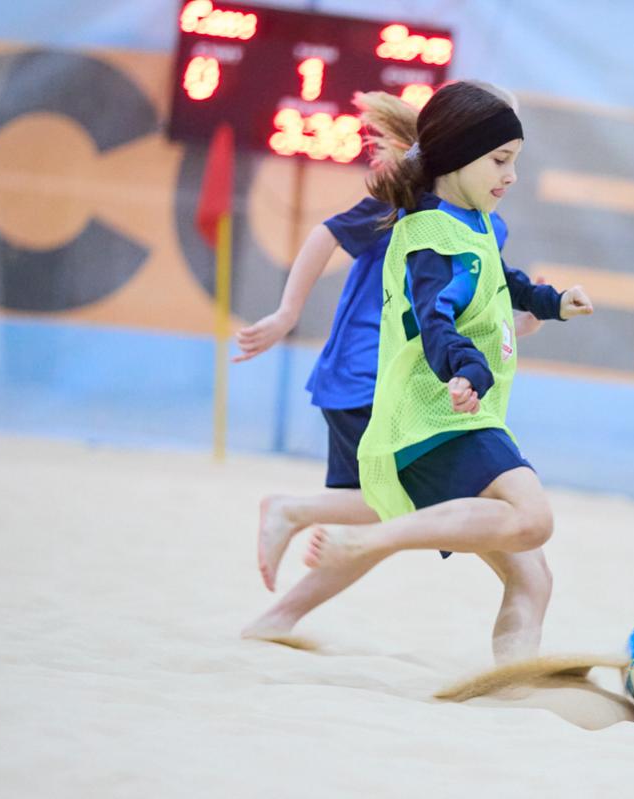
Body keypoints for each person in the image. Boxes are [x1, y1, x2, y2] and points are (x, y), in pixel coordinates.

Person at [288, 80, 593, 664]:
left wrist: (552, 302)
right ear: (458, 157)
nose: (512, 176)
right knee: (532, 519)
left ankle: (511, 681)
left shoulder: (472, 221)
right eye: (501, 160)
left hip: (454, 412)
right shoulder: (430, 235)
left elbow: (502, 279)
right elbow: (436, 321)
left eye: (516, 161)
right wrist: (469, 368)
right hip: (439, 415)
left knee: (534, 577)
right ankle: (368, 539)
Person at [234, 89, 543, 595]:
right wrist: (287, 312)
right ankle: (293, 510)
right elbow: (327, 234)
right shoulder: (409, 199)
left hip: (413, 379)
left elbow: (468, 304)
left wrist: (516, 323)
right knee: (406, 504)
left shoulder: (486, 223)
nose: (506, 165)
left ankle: (280, 610)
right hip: (372, 375)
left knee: (387, 508)